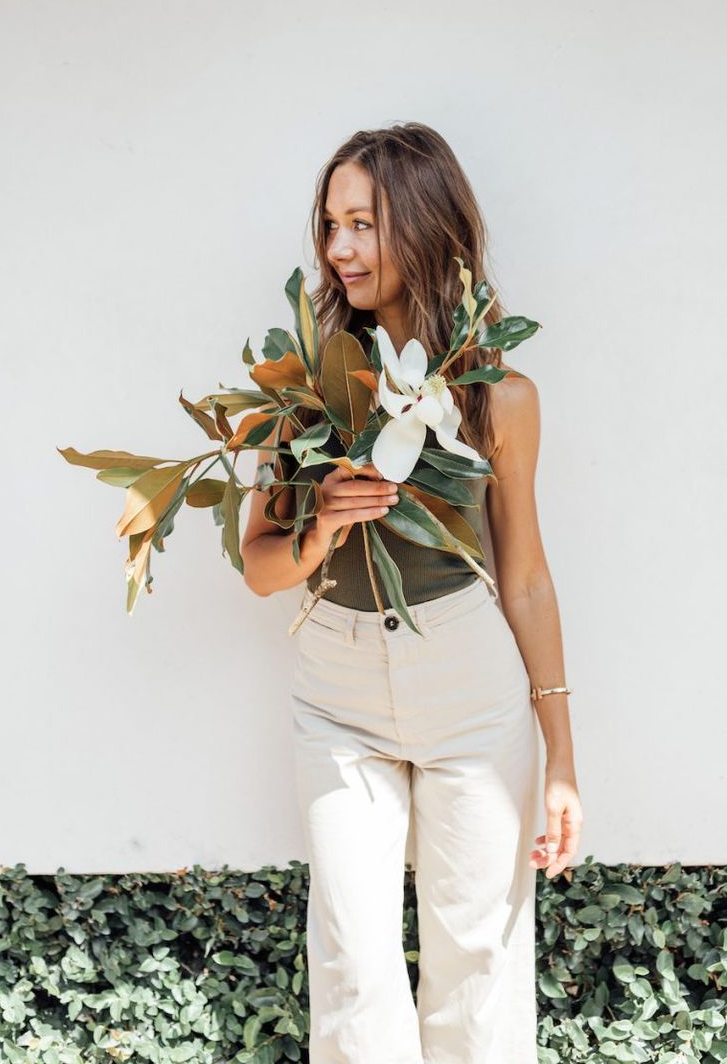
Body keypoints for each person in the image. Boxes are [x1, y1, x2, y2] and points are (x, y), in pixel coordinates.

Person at [241, 122, 584, 1064]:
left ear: (427, 230)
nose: (339, 248)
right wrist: (321, 526)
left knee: (479, 962)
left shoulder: (498, 396)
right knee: (354, 965)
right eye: (330, 225)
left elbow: (524, 573)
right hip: (337, 693)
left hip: (469, 688)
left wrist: (559, 758)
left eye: (363, 223)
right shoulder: (304, 389)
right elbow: (261, 564)